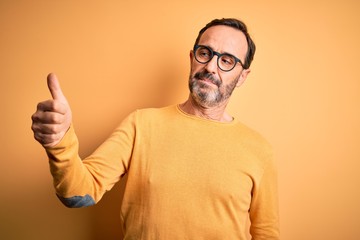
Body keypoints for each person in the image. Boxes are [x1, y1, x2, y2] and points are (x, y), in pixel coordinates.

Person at [31, 18, 280, 239]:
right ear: (192, 58)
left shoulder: (259, 150)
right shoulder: (142, 124)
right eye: (205, 53)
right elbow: (79, 195)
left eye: (227, 60)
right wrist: (59, 142)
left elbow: (266, 233)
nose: (211, 67)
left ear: (243, 76)